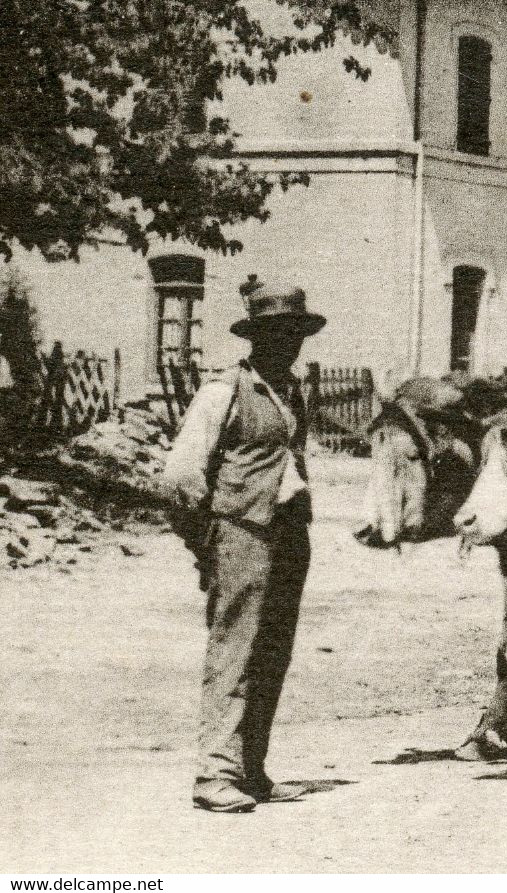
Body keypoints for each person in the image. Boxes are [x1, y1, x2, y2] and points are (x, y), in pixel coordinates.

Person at [162, 278, 325, 812]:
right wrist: (206, 541)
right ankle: (214, 775)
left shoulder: (293, 390)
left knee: (272, 650)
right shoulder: (223, 390)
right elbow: (180, 478)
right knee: (234, 651)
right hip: (241, 533)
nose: (290, 342)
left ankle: (251, 770)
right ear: (257, 336)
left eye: (296, 332)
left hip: (287, 534)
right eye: (278, 332)